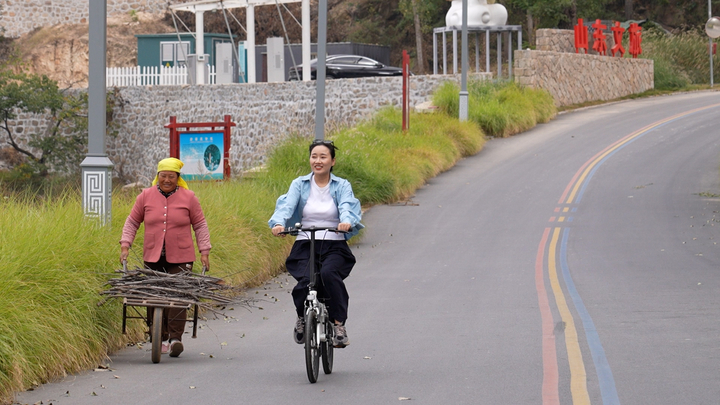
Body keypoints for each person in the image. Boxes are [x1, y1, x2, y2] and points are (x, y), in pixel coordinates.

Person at [269, 139, 363, 348]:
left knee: (329, 275)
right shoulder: (299, 184)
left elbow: (347, 205)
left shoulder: (342, 185)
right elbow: (286, 205)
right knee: (305, 281)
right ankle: (302, 318)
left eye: (323, 157)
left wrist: (346, 222)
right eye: (314, 156)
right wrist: (278, 223)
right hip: (305, 242)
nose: (318, 161)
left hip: (333, 243)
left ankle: (339, 324)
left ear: (332, 161)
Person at [120, 157, 211, 358]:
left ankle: (175, 339)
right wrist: (125, 244)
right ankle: (158, 336)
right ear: (158, 176)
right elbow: (132, 221)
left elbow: (200, 225)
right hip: (153, 256)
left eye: (171, 176)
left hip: (181, 256)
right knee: (153, 296)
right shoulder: (145, 196)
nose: (167, 180)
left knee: (178, 295)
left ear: (178, 178)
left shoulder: (189, 198)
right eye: (163, 176)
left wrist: (204, 251)